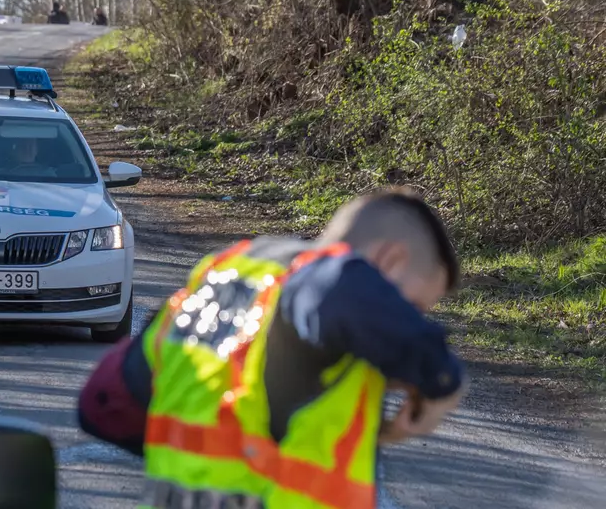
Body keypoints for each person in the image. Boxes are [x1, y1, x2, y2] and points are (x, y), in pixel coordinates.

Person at [77, 187, 468, 509]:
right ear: (388, 260)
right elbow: (341, 291)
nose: (410, 320)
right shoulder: (326, 281)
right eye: (414, 307)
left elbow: (103, 406)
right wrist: (443, 384)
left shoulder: (224, 274)